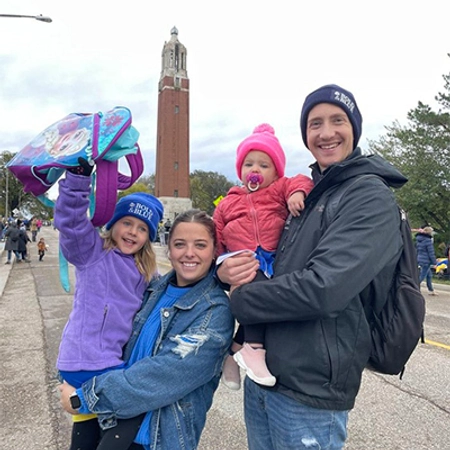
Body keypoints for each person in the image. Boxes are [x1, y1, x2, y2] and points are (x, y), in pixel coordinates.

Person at [217, 84, 408, 449]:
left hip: (310, 389)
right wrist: (223, 273)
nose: (326, 132)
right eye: (315, 123)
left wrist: (239, 300)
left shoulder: (368, 195)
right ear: (306, 135)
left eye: (338, 120)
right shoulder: (307, 193)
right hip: (266, 373)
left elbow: (324, 288)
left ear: (354, 128)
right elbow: (264, 256)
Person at [59, 209, 234, 450]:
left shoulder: (214, 311)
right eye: (180, 244)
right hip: (115, 426)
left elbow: (163, 375)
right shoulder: (152, 287)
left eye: (201, 245)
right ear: (168, 250)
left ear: (215, 251)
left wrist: (84, 398)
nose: (189, 253)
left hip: (158, 441)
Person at [54, 159, 165, 450]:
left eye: (142, 229)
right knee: (129, 422)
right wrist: (78, 181)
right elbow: (72, 224)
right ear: (113, 223)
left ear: (149, 238)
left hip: (112, 363)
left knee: (87, 431)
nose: (132, 232)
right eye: (127, 222)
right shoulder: (92, 252)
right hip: (86, 362)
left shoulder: (146, 271)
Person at [213, 123, 314, 390]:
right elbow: (216, 231)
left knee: (268, 298)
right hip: (239, 257)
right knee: (256, 291)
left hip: (270, 258)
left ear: (276, 172)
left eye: (264, 165)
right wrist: (218, 262)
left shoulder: (279, 189)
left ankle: (233, 354)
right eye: (249, 164)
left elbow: (303, 180)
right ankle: (254, 348)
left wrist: (296, 193)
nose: (255, 170)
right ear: (240, 170)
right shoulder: (228, 201)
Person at [416, 226, 438, 296]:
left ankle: (431, 290)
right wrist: (434, 262)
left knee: (429, 275)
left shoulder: (419, 240)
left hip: (420, 258)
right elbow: (431, 252)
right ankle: (415, 287)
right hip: (426, 260)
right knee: (422, 276)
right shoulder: (428, 241)